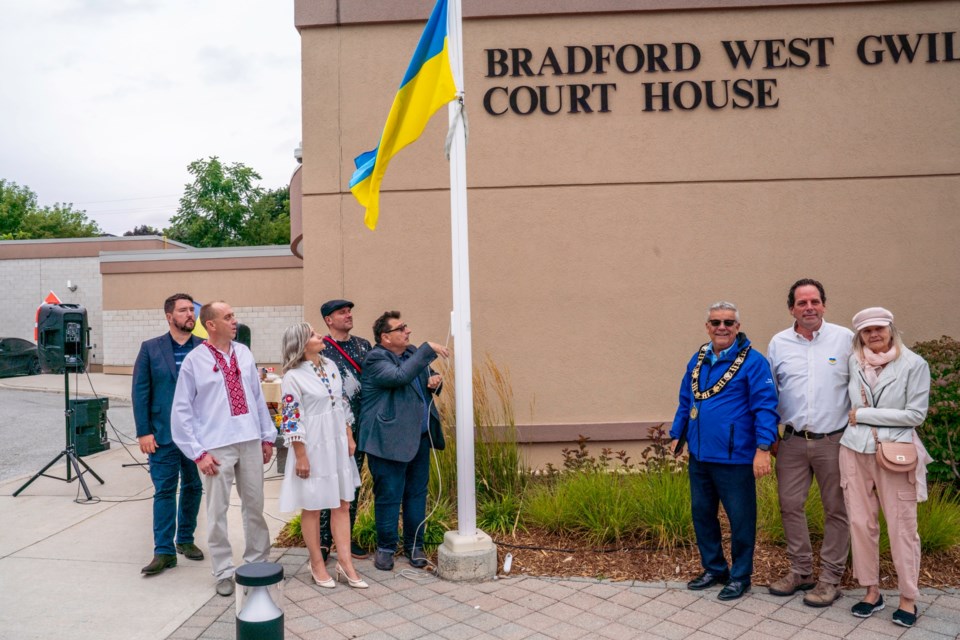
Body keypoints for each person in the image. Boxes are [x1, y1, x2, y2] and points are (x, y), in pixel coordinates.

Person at [670, 301, 779, 601]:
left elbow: (766, 407)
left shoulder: (753, 362)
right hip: (700, 456)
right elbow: (686, 400)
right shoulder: (698, 358)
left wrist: (763, 448)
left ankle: (740, 576)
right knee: (702, 514)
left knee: (741, 518)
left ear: (737, 327)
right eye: (716, 322)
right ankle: (715, 568)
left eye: (728, 323)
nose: (722, 327)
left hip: (736, 457)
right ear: (707, 327)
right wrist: (677, 434)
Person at [171, 301, 276, 597]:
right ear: (211, 325)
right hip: (216, 446)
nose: (235, 321)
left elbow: (257, 398)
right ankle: (223, 570)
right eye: (228, 317)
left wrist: (267, 436)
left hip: (250, 440)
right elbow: (182, 411)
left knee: (254, 505)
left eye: (234, 316)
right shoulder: (194, 361)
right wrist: (198, 452)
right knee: (217, 512)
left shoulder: (243, 353)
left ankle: (257, 562)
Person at [841, 307, 931, 629]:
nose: (873, 335)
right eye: (867, 331)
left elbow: (914, 415)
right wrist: (857, 416)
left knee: (902, 525)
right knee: (860, 523)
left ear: (891, 329)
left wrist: (862, 414)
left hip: (896, 453)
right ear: (860, 335)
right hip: (853, 450)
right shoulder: (855, 361)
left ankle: (908, 597)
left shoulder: (914, 364)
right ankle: (871, 591)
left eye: (879, 328)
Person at [766, 279, 853, 606]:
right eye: (802, 303)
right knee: (790, 505)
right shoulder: (779, 343)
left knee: (837, 509)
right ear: (792, 308)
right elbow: (770, 391)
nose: (809, 308)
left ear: (824, 305)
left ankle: (830, 579)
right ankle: (801, 572)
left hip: (835, 441)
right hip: (791, 442)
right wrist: (768, 437)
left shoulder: (844, 339)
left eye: (814, 301)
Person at [359, 311, 449, 571]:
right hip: (388, 442)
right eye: (401, 328)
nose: (407, 332)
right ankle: (386, 548)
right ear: (385, 337)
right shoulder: (376, 358)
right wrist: (427, 348)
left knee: (416, 495)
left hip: (419, 439)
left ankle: (415, 546)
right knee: (389, 496)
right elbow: (398, 377)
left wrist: (435, 381)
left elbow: (424, 376)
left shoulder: (411, 354)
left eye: (407, 327)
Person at [278, 322, 366, 588]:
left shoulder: (329, 365)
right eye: (314, 335)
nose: (320, 337)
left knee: (342, 503)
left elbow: (341, 402)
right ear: (303, 343)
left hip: (337, 442)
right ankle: (317, 563)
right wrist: (300, 455)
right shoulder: (293, 376)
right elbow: (292, 419)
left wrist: (349, 434)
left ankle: (345, 562)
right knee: (314, 505)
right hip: (312, 445)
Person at [132, 293, 205, 577]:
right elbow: (140, 392)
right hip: (161, 434)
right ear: (169, 316)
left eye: (192, 310)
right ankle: (163, 552)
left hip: (197, 434)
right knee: (164, 490)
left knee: (193, 486)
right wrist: (143, 432)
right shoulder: (150, 348)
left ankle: (185, 539)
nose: (190, 314)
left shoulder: (204, 348)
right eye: (184, 310)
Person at [317, 299, 372, 561]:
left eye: (350, 310)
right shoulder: (320, 348)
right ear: (329, 319)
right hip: (331, 426)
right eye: (342, 312)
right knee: (329, 480)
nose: (348, 315)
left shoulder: (363, 345)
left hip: (364, 425)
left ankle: (345, 538)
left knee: (352, 483)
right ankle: (323, 540)